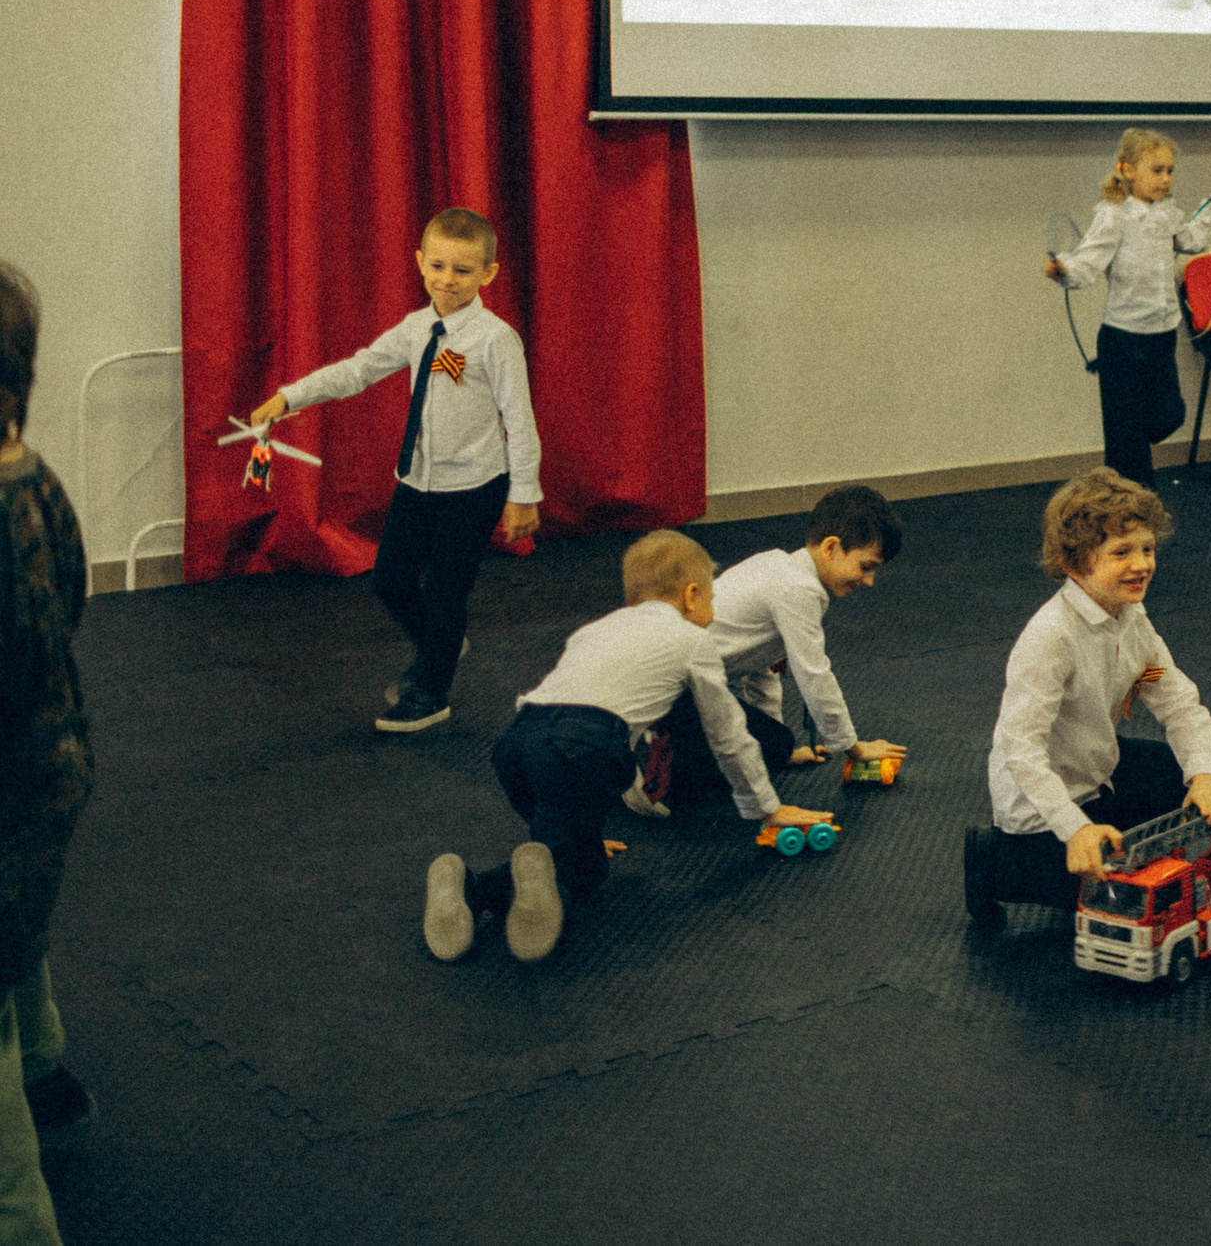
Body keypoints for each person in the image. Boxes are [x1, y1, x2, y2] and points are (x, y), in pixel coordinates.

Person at [422, 531, 835, 964]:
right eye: (712, 600)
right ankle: (497, 884)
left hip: (515, 741)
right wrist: (767, 808)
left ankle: (474, 885)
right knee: (586, 872)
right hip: (586, 746)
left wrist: (580, 832)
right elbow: (729, 735)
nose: (713, 615)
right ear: (691, 595)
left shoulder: (594, 630)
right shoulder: (693, 641)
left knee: (563, 831)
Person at [250, 208, 541, 733]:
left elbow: (519, 420)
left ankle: (431, 693)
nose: (447, 280)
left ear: (488, 275)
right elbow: (359, 369)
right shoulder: (417, 328)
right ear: (419, 263)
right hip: (417, 481)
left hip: (474, 487)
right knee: (389, 580)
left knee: (447, 591)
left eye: (462, 270)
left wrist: (523, 494)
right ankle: (441, 642)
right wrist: (289, 396)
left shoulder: (495, 340)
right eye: (437, 266)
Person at [964, 471, 1211, 929]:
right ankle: (994, 859)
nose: (1142, 564)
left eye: (1147, 549)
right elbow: (1021, 749)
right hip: (1043, 800)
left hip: (1097, 769)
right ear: (1076, 563)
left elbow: (1176, 701)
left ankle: (1112, 832)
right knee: (1109, 898)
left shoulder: (1132, 620)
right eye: (1121, 553)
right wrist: (1076, 830)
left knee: (1202, 780)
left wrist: (1203, 776)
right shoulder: (1051, 638)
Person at [631, 486, 910, 817]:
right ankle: (643, 767)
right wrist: (852, 747)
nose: (869, 582)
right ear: (831, 547)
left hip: (676, 681)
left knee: (775, 742)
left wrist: (776, 749)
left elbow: (763, 667)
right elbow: (814, 675)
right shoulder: (798, 591)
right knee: (706, 785)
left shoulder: (779, 567)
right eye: (866, 566)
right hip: (662, 689)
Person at [1, 264, 93, 1246]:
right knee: (14, 926)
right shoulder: (36, 475)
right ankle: (47, 1064)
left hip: (14, 775)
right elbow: (68, 600)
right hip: (55, 766)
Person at [1044, 129, 1211, 487]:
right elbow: (1087, 262)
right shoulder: (1114, 216)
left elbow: (1192, 240)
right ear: (1128, 170)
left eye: (1170, 171)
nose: (1166, 179)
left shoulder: (1166, 214)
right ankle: (1130, 508)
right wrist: (1063, 270)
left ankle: (1130, 482)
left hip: (1161, 335)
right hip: (1123, 340)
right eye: (1157, 171)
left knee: (1169, 415)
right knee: (1126, 443)